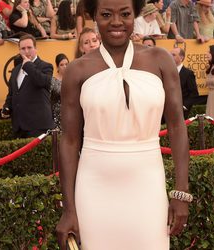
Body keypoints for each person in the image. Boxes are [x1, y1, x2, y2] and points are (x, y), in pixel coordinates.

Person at [56, 0, 191, 249]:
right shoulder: (77, 70)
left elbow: (177, 126)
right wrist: (69, 209)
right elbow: (69, 140)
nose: (116, 21)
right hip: (94, 185)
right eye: (106, 14)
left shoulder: (160, 59)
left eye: (125, 14)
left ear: (135, 15)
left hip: (148, 183)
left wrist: (181, 192)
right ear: (94, 16)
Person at [1, 34, 54, 138]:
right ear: (19, 51)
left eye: (29, 48)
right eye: (23, 48)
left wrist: (28, 65)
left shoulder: (46, 66)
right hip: (19, 127)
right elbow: (12, 94)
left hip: (38, 126)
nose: (26, 51)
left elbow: (42, 82)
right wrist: (7, 107)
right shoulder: (16, 70)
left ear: (36, 48)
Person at [171, 47, 199, 119]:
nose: (170, 56)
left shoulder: (188, 73)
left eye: (173, 55)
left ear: (181, 58)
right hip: (168, 109)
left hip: (182, 111)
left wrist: (185, 106)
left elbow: (194, 93)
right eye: (170, 54)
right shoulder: (167, 72)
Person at [50, 53, 69, 129]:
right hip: (56, 117)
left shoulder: (73, 80)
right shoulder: (53, 81)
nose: (65, 67)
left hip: (70, 115)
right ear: (57, 67)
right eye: (62, 65)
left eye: (67, 64)